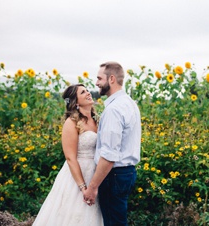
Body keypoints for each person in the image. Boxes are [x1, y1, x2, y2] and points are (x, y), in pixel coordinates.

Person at [32, 84, 104, 225]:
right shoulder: (71, 123)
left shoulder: (98, 120)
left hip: (96, 174)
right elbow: (70, 158)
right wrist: (83, 187)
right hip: (77, 175)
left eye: (88, 90)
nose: (88, 93)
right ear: (76, 102)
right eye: (83, 92)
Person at [83, 61, 142, 226]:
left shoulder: (114, 110)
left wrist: (93, 187)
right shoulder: (129, 103)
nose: (96, 83)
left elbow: (109, 155)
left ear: (111, 79)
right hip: (126, 173)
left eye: (99, 78)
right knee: (117, 220)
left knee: (113, 222)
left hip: (113, 176)